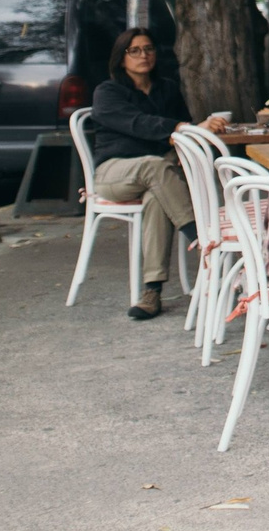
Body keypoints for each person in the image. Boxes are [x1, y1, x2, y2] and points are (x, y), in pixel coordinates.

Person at [86, 27, 228, 321]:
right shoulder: (107, 92)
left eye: (148, 48)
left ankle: (152, 291)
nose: (144, 55)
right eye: (135, 50)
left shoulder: (167, 88)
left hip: (158, 175)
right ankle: (200, 237)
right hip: (114, 172)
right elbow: (139, 123)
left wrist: (192, 128)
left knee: (157, 196)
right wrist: (182, 129)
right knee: (155, 167)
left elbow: (183, 126)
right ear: (121, 57)